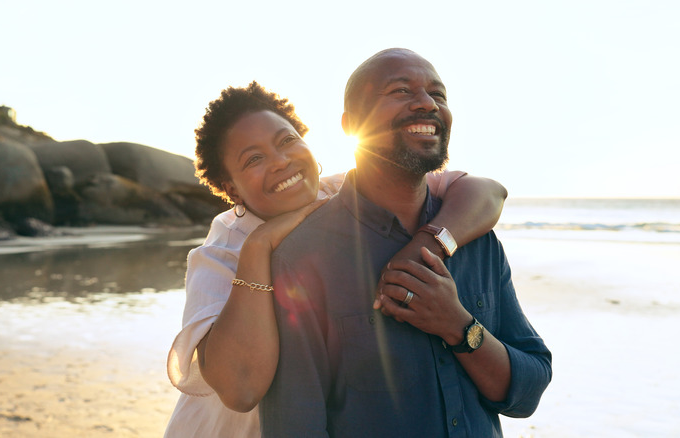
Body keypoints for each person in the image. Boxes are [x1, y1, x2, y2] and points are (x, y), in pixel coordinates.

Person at [164, 81, 508, 437]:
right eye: (254, 159)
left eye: (286, 141)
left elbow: (487, 192)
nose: (280, 162)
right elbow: (241, 389)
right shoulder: (220, 255)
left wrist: (426, 246)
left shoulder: (341, 192)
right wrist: (259, 246)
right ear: (232, 187)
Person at [258, 49, 552, 437]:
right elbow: (295, 426)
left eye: (439, 94)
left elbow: (528, 391)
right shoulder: (302, 258)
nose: (427, 104)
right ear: (352, 125)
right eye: (400, 90)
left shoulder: (478, 242)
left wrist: (459, 326)